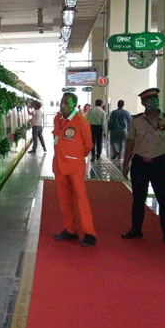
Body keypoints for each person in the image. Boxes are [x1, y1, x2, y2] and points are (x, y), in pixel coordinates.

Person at [121, 88, 165, 244]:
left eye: (155, 99)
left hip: (160, 164)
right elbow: (130, 143)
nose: (153, 102)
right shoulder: (136, 121)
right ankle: (136, 230)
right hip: (139, 164)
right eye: (149, 100)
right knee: (138, 199)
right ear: (143, 103)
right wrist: (125, 164)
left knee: (164, 199)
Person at [52, 92, 97, 247]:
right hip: (59, 166)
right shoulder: (57, 119)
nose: (63, 105)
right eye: (62, 101)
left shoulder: (81, 121)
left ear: (74, 104)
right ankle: (70, 230)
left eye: (66, 102)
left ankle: (89, 233)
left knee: (81, 199)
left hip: (75, 167)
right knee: (64, 199)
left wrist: (75, 156)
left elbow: (88, 145)